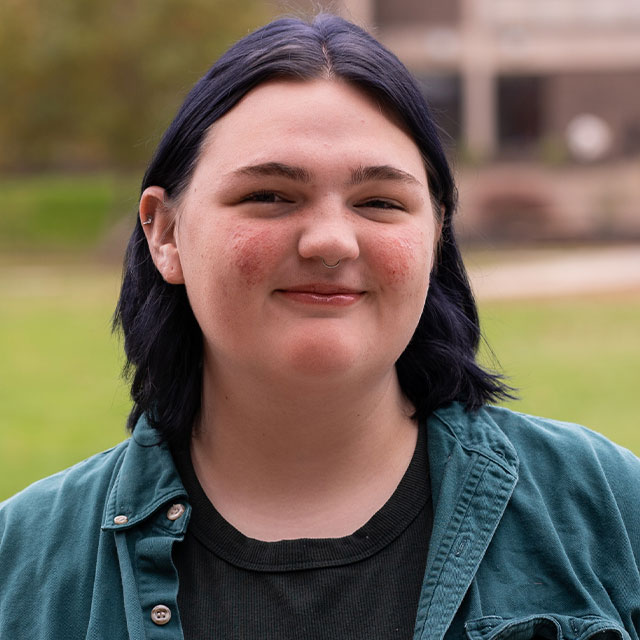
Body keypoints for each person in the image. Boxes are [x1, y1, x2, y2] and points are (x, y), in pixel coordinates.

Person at [1, 13, 639, 640]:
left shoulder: (610, 511)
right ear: (165, 233)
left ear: (435, 234)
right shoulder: (22, 563)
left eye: (380, 203)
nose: (331, 242)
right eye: (270, 195)